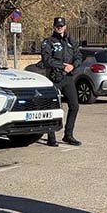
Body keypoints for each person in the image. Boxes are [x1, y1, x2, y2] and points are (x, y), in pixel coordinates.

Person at [41, 17, 81, 146]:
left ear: (65, 26)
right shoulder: (49, 42)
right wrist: (62, 66)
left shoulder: (71, 41)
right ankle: (50, 136)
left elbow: (78, 56)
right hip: (54, 78)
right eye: (57, 26)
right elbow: (47, 60)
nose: (60, 28)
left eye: (62, 26)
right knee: (53, 106)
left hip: (68, 78)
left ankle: (68, 135)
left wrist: (73, 66)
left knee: (74, 106)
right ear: (54, 27)